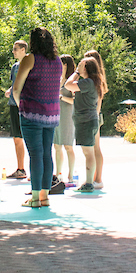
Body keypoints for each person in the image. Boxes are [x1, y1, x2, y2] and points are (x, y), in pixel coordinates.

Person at [11, 27, 63, 208]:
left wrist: (21, 105)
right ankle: (44, 196)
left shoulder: (29, 59)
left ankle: (33, 198)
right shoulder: (58, 61)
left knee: (35, 154)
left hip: (31, 113)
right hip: (52, 114)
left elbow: (16, 89)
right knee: (47, 154)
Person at [65, 53, 105, 192]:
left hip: (86, 121)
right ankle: (89, 181)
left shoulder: (88, 83)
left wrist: (76, 72)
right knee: (89, 152)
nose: (79, 68)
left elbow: (68, 85)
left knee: (88, 153)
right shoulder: (92, 82)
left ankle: (89, 183)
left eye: (82, 66)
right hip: (87, 120)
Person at [3, 40, 29, 179]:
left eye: (16, 49)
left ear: (23, 49)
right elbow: (15, 84)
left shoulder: (30, 64)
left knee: (30, 138)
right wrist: (10, 90)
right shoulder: (15, 66)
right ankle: (21, 169)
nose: (13, 51)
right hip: (13, 105)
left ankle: (34, 170)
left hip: (26, 105)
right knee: (17, 138)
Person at [54, 55, 77, 186]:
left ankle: (71, 174)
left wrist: (61, 97)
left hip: (68, 115)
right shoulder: (57, 79)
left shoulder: (72, 81)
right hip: (56, 114)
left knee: (68, 146)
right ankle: (58, 174)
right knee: (57, 145)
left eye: (62, 64)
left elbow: (75, 100)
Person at [87, 49, 108, 189]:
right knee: (94, 148)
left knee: (95, 148)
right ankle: (95, 177)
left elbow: (98, 102)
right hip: (95, 116)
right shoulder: (96, 79)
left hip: (94, 116)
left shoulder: (97, 80)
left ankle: (98, 178)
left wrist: (94, 116)